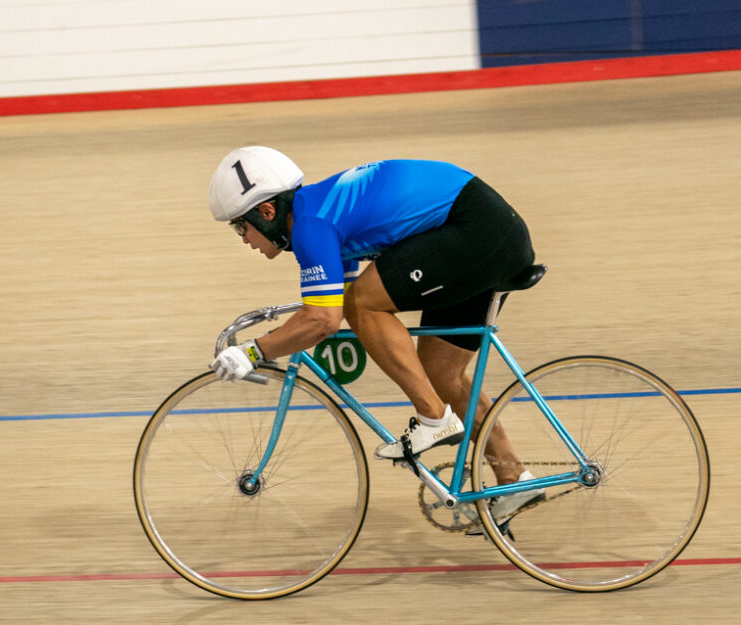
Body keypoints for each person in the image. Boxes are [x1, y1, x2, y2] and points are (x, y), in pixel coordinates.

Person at [206, 146, 544, 525]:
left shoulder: (311, 226)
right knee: (441, 373)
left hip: (475, 231)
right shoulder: (322, 213)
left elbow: (324, 320)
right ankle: (515, 479)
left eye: (241, 226)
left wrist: (252, 352)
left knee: (363, 304)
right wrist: (289, 332)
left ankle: (434, 419)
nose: (243, 238)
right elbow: (326, 307)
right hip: (485, 231)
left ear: (266, 213)